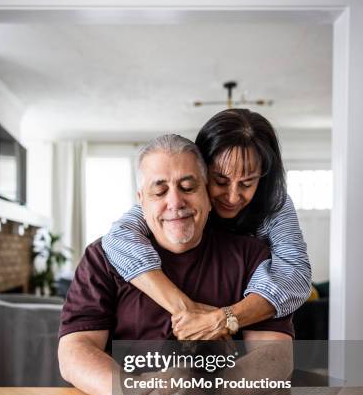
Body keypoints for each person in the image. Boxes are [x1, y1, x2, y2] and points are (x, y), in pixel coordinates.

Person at [58, 134, 293, 395]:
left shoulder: (251, 255)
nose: (175, 203)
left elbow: (276, 357)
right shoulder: (102, 256)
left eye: (188, 187)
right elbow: (74, 350)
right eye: (160, 190)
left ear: (208, 193)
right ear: (141, 199)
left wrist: (214, 394)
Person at [102, 109, 311, 341]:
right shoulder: (176, 201)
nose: (232, 197)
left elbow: (296, 274)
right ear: (200, 173)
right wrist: (188, 311)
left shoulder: (274, 200)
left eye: (247, 183)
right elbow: (118, 238)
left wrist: (222, 319)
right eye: (220, 181)